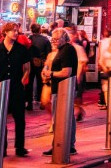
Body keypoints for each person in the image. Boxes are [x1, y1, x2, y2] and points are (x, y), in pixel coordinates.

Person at [0, 22, 31, 157]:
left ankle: (20, 146)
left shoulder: (22, 49)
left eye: (17, 31)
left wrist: (22, 81)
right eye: (13, 31)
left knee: (20, 119)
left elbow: (27, 68)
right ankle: (1, 146)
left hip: (16, 88)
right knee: (0, 119)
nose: (16, 33)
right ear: (5, 32)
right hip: (0, 88)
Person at [42, 28, 79, 156]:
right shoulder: (62, 50)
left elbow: (66, 72)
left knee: (61, 118)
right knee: (66, 117)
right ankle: (67, 144)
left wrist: (50, 73)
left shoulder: (67, 50)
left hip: (64, 89)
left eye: (57, 39)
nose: (55, 41)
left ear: (65, 39)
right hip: (61, 88)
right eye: (53, 39)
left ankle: (62, 144)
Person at [27, 23, 51, 111]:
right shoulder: (45, 40)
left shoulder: (29, 39)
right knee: (41, 82)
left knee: (29, 83)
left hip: (30, 62)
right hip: (41, 63)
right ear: (39, 30)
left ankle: (29, 103)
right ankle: (41, 102)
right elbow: (49, 52)